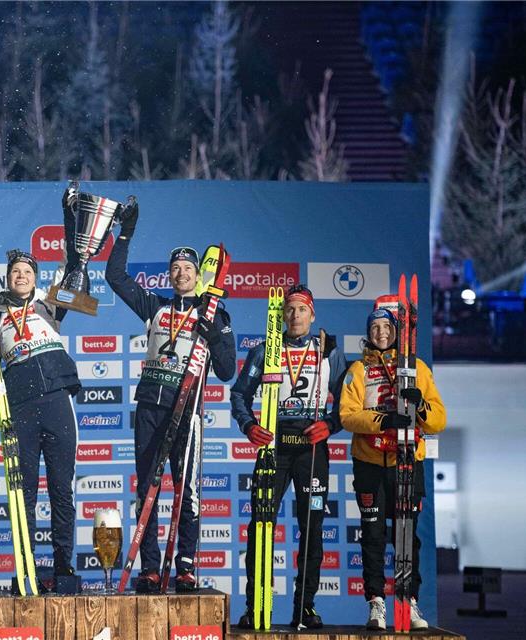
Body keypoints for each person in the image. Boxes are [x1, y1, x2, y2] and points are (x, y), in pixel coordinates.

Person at [105, 204, 236, 593]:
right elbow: (115, 277)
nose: (181, 274)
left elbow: (227, 370)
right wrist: (125, 233)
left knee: (187, 489)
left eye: (188, 269)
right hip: (150, 407)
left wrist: (212, 334)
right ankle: (149, 566)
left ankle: (186, 565)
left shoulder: (215, 312)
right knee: (148, 488)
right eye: (175, 268)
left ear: (199, 276)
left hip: (189, 410)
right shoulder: (156, 307)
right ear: (170, 274)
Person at [231, 284, 347, 629]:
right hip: (274, 447)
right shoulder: (266, 349)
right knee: (261, 527)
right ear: (282, 315)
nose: (295, 316)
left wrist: (330, 423)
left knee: (311, 527)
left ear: (312, 315)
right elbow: (239, 394)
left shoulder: (328, 350)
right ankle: (257, 606)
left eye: (301, 310)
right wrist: (250, 426)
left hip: (312, 448)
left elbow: (348, 400)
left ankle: (304, 607)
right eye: (290, 310)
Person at [0, 249, 81, 588]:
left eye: (27, 272)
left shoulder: (51, 301)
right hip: (20, 407)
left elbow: (82, 293)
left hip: (57, 401)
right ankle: (27, 568)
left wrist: (77, 251)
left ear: (35, 278)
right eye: (15, 272)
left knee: (62, 489)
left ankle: (64, 568)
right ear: (7, 278)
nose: (21, 276)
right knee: (25, 494)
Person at [339, 307, 446, 630]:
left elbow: (439, 420)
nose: (381, 333)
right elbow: (347, 415)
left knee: (407, 537)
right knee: (372, 536)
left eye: (387, 326)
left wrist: (421, 406)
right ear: (368, 332)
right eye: (375, 327)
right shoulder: (358, 369)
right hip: (370, 463)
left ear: (398, 331)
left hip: (407, 461)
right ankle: (376, 604)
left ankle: (409, 601)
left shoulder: (417, 369)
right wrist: (382, 419)